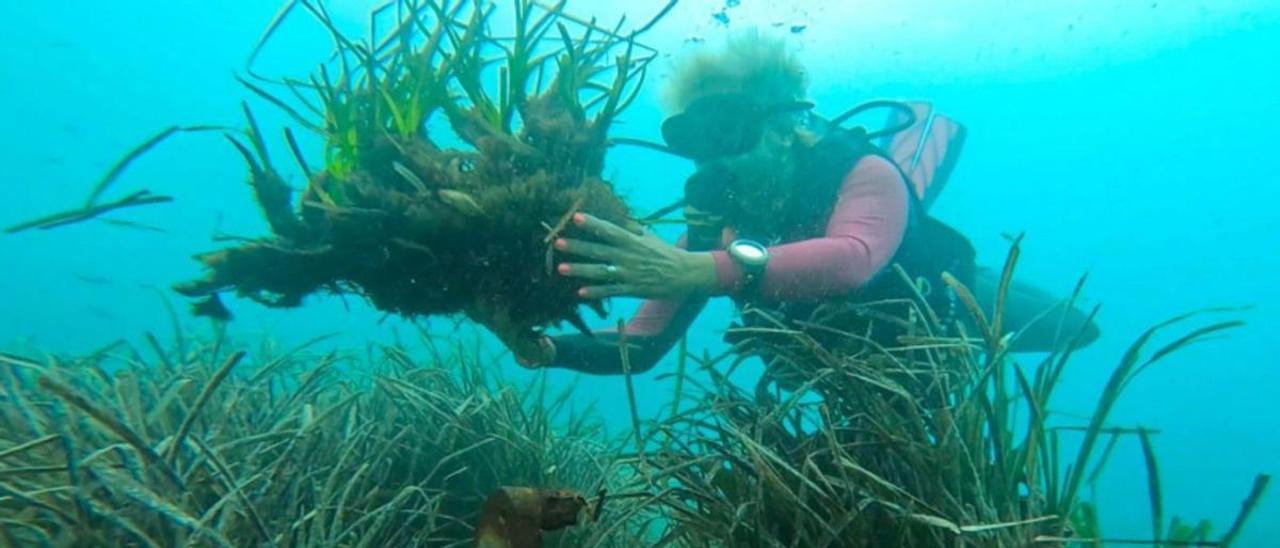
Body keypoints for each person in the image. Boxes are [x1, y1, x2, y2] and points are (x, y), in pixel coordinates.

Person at [516, 32, 1099, 375]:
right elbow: (641, 347)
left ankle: (975, 274)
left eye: (728, 131)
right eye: (697, 138)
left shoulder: (864, 173)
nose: (715, 159)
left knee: (1076, 330)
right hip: (842, 363)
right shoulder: (711, 226)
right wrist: (547, 349)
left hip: (928, 307)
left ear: (783, 126)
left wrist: (699, 270)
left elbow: (852, 259)